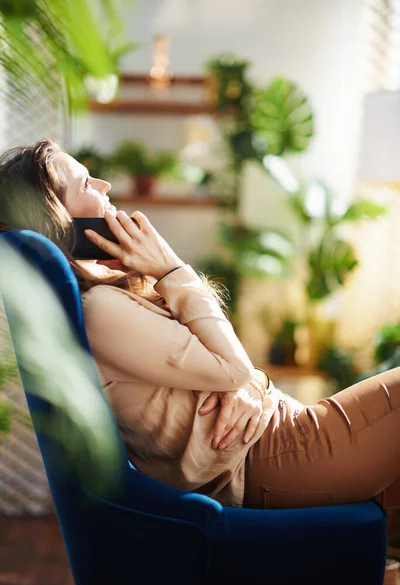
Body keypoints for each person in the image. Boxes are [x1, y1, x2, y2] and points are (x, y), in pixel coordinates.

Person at [0, 138, 399, 510]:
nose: (104, 185)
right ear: (58, 220)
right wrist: (172, 269)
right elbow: (233, 368)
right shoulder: (100, 309)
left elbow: (231, 370)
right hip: (270, 455)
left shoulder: (107, 293)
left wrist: (252, 386)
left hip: (274, 437)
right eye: (86, 183)